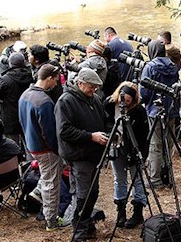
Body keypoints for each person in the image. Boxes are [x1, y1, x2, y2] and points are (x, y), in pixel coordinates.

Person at [55, 68, 108, 240]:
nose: (94, 90)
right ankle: (79, 231)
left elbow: (104, 120)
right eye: (91, 86)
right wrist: (91, 136)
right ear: (79, 83)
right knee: (83, 194)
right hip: (79, 155)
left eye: (96, 87)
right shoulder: (66, 101)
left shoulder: (95, 99)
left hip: (94, 155)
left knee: (93, 192)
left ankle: (86, 224)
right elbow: (64, 131)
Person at [18, 64, 66, 230]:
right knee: (52, 185)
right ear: (49, 78)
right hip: (45, 149)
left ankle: (38, 191)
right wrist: (59, 151)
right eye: (57, 79)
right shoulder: (44, 102)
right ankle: (51, 221)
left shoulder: (25, 95)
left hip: (32, 145)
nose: (58, 83)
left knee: (50, 176)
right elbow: (49, 133)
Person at [105, 82, 149, 229]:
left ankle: (138, 212)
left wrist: (141, 154)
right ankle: (121, 211)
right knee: (119, 179)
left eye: (129, 101)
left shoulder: (139, 111)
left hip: (134, 148)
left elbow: (144, 136)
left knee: (137, 179)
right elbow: (105, 122)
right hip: (116, 147)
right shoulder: (110, 105)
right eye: (124, 100)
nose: (125, 103)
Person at [140, 40, 180, 188]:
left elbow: (143, 92)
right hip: (171, 109)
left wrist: (145, 103)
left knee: (155, 145)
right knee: (168, 144)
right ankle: (168, 176)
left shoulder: (149, 67)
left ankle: (155, 179)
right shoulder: (173, 65)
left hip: (154, 110)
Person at [0, 52, 34, 146]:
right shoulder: (29, 75)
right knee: (29, 144)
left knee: (12, 146)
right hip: (25, 116)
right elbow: (13, 87)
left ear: (10, 64)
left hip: (10, 120)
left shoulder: (5, 79)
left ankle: (17, 160)